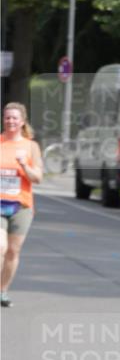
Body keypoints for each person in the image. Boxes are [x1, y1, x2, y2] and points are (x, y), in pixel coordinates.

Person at [0, 102, 43, 307]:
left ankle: (3, 291)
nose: (10, 121)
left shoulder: (31, 146)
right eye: (7, 117)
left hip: (21, 206)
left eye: (14, 118)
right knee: (0, 246)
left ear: (22, 121)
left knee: (13, 252)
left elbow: (38, 178)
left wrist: (24, 165)